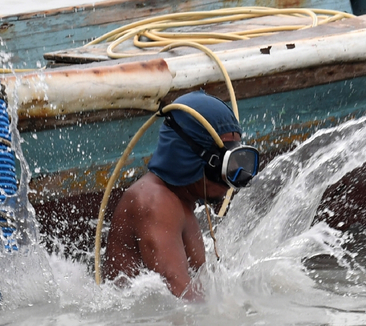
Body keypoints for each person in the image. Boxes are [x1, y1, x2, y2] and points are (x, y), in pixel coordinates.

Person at [103, 91, 259, 300]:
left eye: (240, 159)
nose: (236, 175)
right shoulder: (156, 202)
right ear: (190, 158)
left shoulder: (179, 202)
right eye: (228, 164)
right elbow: (182, 299)